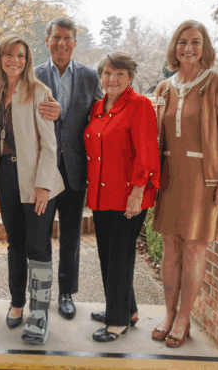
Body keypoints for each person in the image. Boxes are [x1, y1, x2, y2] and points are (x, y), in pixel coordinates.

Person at [152, 20, 218, 348]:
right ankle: (169, 312)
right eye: (182, 41)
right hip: (170, 177)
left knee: (193, 249)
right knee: (171, 248)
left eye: (195, 42)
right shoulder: (164, 87)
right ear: (174, 47)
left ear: (205, 47)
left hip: (205, 180)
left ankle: (184, 317)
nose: (188, 48)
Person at [0, 35, 64, 344]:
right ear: (1, 59)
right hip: (7, 176)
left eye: (20, 55)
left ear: (27, 59)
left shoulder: (39, 91)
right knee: (15, 244)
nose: (15, 61)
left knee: (38, 246)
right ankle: (17, 302)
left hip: (36, 179)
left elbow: (49, 145)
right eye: (9, 55)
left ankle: (40, 312)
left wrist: (44, 186)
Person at [84, 51, 160, 343]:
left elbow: (147, 152)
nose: (112, 79)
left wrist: (138, 192)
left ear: (130, 78)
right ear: (100, 76)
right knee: (108, 254)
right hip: (102, 195)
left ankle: (117, 323)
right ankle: (126, 309)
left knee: (119, 256)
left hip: (129, 195)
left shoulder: (140, 105)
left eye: (120, 74)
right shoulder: (98, 107)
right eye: (107, 73)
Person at [34, 16, 103, 320]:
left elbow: (102, 117)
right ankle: (41, 292)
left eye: (67, 38)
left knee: (71, 236)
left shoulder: (90, 77)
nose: (61, 43)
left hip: (75, 169)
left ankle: (66, 293)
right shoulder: (33, 75)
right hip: (44, 170)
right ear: (46, 41)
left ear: (75, 42)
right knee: (40, 234)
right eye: (55, 38)